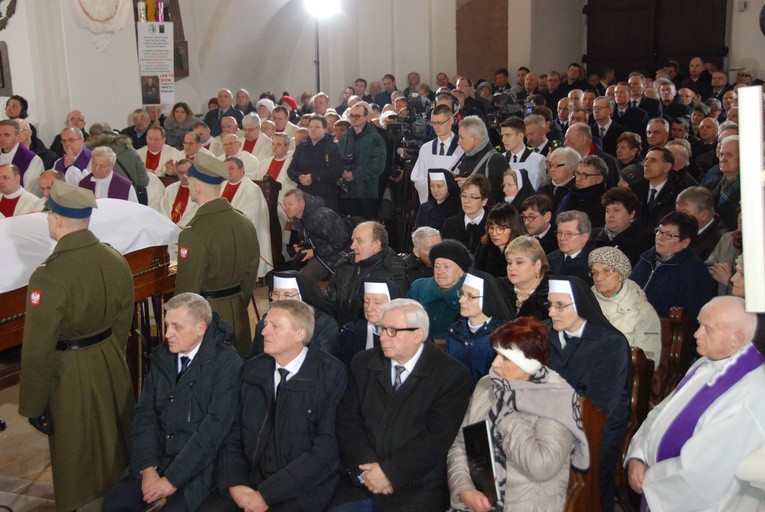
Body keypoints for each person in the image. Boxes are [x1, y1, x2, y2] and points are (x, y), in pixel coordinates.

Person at [18, 181, 134, 512]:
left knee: (76, 454)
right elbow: (124, 317)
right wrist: (111, 352)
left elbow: (37, 348)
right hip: (109, 358)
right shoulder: (114, 258)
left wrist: (33, 403)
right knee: (111, 442)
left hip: (70, 371)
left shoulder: (48, 276)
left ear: (56, 219)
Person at [202, 300, 348, 512]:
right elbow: (232, 433)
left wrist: (267, 494)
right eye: (265, 324)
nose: (264, 332)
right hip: (250, 480)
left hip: (303, 488)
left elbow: (326, 450)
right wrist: (235, 483)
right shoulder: (252, 370)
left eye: (275, 326)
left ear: (299, 335)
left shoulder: (331, 374)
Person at [103, 293, 242, 512]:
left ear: (200, 328)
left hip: (202, 467)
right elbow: (145, 415)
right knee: (114, 506)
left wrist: (172, 479)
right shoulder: (162, 357)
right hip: (159, 457)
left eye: (177, 327)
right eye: (167, 325)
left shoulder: (227, 363)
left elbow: (213, 432)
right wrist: (147, 469)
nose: (167, 334)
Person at [330, 299, 471, 512]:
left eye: (393, 330)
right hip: (362, 479)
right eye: (382, 329)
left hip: (417, 485)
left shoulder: (450, 374)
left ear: (418, 334)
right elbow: (349, 421)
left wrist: (390, 473)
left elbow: (437, 438)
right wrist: (368, 471)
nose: (383, 337)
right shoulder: (363, 363)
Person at [626, 296, 765, 511]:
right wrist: (639, 455)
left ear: (736, 338)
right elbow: (662, 413)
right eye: (699, 325)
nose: (696, 334)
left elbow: (704, 469)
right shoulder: (706, 364)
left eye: (707, 329)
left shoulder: (747, 393)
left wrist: (650, 476)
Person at [447, 316, 590, 512]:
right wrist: (464, 490)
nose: (495, 364)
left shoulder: (556, 399)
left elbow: (542, 467)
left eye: (506, 358)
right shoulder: (486, 386)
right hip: (476, 501)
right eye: (496, 354)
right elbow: (460, 446)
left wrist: (506, 414)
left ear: (530, 364)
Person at [546, 276, 631, 512]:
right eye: (550, 305)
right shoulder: (544, 334)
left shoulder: (610, 343)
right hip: (548, 433)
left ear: (581, 305)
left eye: (560, 306)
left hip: (596, 434)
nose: (552, 312)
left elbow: (604, 406)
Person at [174, 151, 259, 356]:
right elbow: (250, 275)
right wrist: (238, 303)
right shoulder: (245, 223)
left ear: (196, 186)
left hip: (207, 319)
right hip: (238, 312)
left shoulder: (193, 233)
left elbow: (187, 292)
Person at [631, 211, 713, 319]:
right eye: (659, 231)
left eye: (668, 235)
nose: (660, 238)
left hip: (663, 330)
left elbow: (693, 315)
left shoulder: (694, 270)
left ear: (685, 242)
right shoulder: (646, 260)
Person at [324, 221, 407, 326]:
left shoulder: (392, 271)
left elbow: (394, 314)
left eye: (359, 241)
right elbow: (328, 302)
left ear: (376, 245)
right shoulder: (345, 265)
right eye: (353, 240)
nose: (352, 246)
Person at [588, 246, 661, 366]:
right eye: (595, 272)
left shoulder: (642, 311)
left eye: (607, 271)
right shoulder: (586, 302)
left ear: (621, 275)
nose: (599, 278)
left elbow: (648, 360)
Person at [445, 269, 512, 389]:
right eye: (461, 293)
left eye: (470, 296)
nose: (461, 300)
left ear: (486, 299)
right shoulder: (454, 332)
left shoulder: (504, 335)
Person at [249, 271, 339, 357]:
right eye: (276, 294)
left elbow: (323, 364)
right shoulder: (264, 324)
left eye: (287, 295)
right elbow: (252, 361)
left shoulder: (325, 324)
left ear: (301, 297)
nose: (280, 300)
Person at [408, 239, 473, 340]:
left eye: (446, 267)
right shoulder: (418, 287)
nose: (440, 271)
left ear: (461, 271)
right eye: (436, 266)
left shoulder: (472, 293)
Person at [281, 189, 350, 282]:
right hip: (323, 254)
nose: (286, 208)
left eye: (290, 204)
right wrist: (303, 246)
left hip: (340, 255)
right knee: (298, 278)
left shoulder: (321, 216)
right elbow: (313, 239)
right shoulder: (297, 218)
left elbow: (341, 242)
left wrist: (314, 252)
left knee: (303, 280)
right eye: (284, 205)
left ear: (302, 203)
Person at [337, 103, 386, 219]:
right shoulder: (344, 138)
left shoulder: (376, 138)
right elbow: (337, 160)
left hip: (366, 193)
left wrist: (354, 174)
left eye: (357, 116)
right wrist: (342, 171)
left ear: (366, 117)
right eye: (351, 116)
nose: (353, 119)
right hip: (346, 193)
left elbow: (378, 166)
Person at [286, 114, 343, 210]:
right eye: (310, 127)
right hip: (303, 194)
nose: (313, 129)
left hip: (325, 195)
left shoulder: (332, 147)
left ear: (325, 130)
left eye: (317, 127)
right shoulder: (301, 147)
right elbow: (291, 170)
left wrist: (313, 177)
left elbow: (336, 170)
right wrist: (299, 177)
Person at [337, 278, 397, 368]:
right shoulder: (350, 332)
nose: (369, 308)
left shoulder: (403, 335)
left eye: (377, 302)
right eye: (366, 301)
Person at [589, 187, 654, 265]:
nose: (610, 215)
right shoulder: (594, 234)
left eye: (616, 210)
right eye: (608, 211)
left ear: (631, 214)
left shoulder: (645, 239)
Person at [472, 202, 526, 278]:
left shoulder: (523, 251)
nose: (494, 233)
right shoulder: (483, 246)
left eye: (500, 229)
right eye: (491, 228)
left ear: (513, 228)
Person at [441, 174, 490, 255]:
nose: (466, 201)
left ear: (484, 201)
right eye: (464, 196)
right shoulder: (450, 224)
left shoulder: (492, 225)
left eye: (473, 197)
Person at [547, 210, 595, 285]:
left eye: (569, 234)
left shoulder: (594, 262)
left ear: (584, 237)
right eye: (559, 232)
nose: (562, 238)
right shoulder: (550, 259)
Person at [159, 158, 198, 227]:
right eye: (181, 173)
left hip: (187, 230)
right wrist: (168, 225)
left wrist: (181, 227)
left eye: (187, 172)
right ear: (177, 173)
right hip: (168, 228)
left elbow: (195, 212)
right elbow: (163, 209)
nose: (184, 176)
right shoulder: (170, 189)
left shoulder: (198, 190)